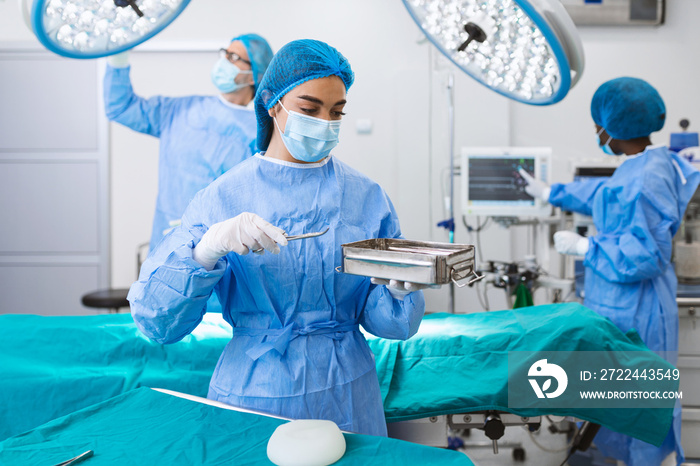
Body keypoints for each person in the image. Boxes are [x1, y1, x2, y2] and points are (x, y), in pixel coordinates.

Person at [128, 39, 434, 436]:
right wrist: (204, 252)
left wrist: (396, 292)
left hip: (348, 394)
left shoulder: (366, 197)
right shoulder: (222, 197)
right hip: (255, 394)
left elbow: (387, 323)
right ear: (273, 104)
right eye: (309, 109)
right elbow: (158, 323)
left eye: (336, 112)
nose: (325, 122)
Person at [520, 77, 700, 466]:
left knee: (641, 419)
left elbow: (647, 255)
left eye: (597, 125)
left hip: (639, 315)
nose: (597, 132)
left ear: (613, 127)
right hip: (626, 310)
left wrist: (587, 247)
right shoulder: (642, 165)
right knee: (622, 409)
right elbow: (603, 196)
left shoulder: (649, 177)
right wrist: (551, 192)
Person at [104, 34, 274, 250]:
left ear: (253, 75)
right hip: (167, 239)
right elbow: (121, 109)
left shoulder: (260, 133)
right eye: (225, 53)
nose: (224, 60)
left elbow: (262, 198)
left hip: (223, 249)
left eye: (233, 57)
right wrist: (118, 57)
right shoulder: (179, 111)